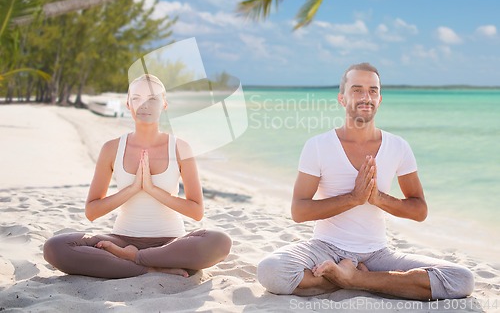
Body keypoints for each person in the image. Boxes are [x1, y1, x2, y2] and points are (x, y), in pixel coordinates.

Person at [257, 63, 474, 300]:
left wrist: (378, 199)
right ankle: (347, 278)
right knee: (271, 271)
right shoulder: (318, 146)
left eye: (373, 91)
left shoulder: (398, 146)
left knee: (461, 278)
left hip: (376, 255)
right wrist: (353, 199)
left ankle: (353, 279)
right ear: (342, 98)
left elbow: (419, 210)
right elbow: (299, 211)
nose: (366, 97)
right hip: (325, 248)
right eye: (357, 90)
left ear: (380, 99)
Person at [44, 74, 232, 279]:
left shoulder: (179, 148)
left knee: (220, 241)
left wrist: (153, 190)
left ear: (164, 104)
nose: (144, 104)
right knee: (55, 247)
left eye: (152, 98)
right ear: (128, 104)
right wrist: (132, 189)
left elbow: (196, 211)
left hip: (170, 244)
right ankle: (148, 266)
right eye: (137, 98)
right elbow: (92, 211)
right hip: (121, 239)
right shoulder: (112, 148)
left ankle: (137, 258)